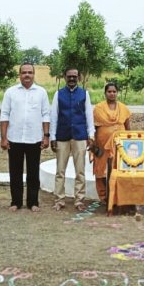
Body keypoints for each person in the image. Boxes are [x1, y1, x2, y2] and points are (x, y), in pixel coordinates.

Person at [0, 63, 51, 212]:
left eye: (30, 72)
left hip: (34, 138)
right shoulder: (10, 92)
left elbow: (45, 115)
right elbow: (4, 115)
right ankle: (15, 202)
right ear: (19, 75)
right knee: (15, 172)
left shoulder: (41, 92)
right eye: (24, 73)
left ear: (34, 74)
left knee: (33, 172)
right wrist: (3, 137)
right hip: (14, 138)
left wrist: (46, 136)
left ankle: (33, 202)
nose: (27, 75)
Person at [50, 67, 95, 211]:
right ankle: (59, 200)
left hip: (80, 135)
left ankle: (79, 200)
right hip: (62, 135)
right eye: (69, 76)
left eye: (74, 76)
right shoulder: (58, 94)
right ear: (65, 77)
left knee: (80, 171)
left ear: (79, 77)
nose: (71, 79)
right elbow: (54, 116)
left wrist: (91, 134)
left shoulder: (84, 94)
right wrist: (52, 136)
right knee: (60, 170)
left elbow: (89, 115)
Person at [92, 82, 132, 202]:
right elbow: (93, 127)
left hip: (120, 146)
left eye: (114, 91)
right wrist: (93, 144)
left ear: (117, 93)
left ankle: (117, 196)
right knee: (101, 170)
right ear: (105, 93)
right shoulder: (98, 108)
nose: (112, 94)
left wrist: (129, 143)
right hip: (102, 146)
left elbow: (128, 127)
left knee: (118, 169)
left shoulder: (123, 108)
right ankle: (104, 197)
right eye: (109, 91)